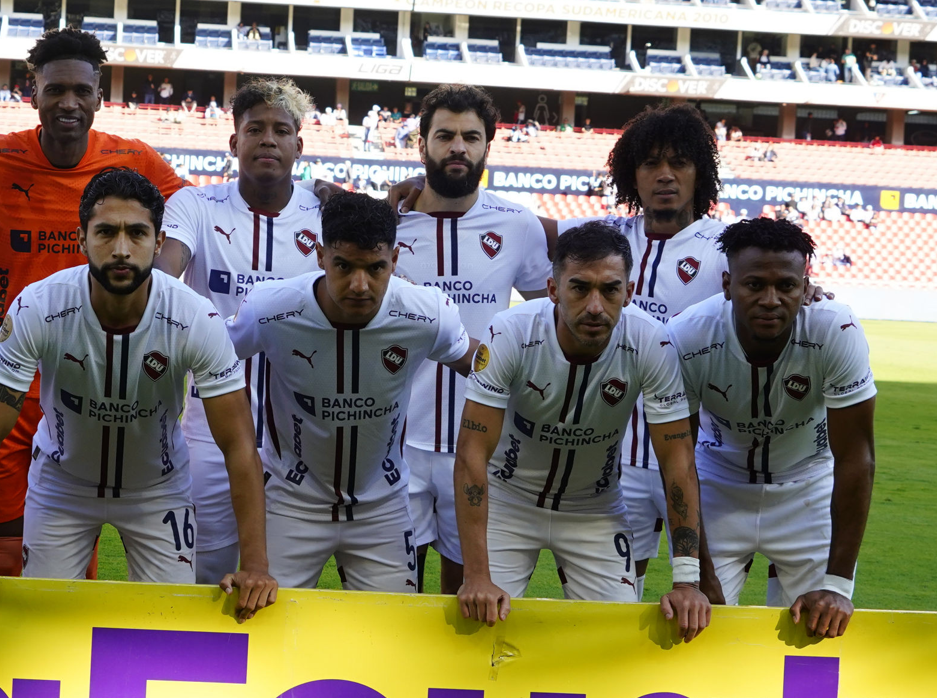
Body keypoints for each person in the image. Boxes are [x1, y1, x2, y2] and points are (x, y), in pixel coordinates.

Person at [0, 168, 278, 620]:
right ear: (82, 238)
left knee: (166, 626)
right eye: (105, 232)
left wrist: (255, 566)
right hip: (61, 485)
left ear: (158, 242)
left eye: (137, 233)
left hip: (158, 489)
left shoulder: (195, 317)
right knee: (44, 623)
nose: (121, 248)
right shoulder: (39, 305)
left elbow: (238, 444)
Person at [0, 30, 191, 578]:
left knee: (73, 533)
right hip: (8, 375)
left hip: (95, 382)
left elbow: (195, 209)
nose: (69, 102)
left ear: (99, 97)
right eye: (56, 90)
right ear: (34, 93)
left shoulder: (133, 159)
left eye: (81, 90)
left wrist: (157, 283)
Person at [454, 222, 711, 641]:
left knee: (613, 640)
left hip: (595, 509)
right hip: (508, 502)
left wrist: (686, 581)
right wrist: (477, 575)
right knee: (477, 631)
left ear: (629, 292)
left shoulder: (651, 341)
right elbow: (471, 453)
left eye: (610, 290)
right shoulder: (510, 331)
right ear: (553, 289)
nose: (595, 306)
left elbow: (678, 462)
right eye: (579, 288)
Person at [227, 193, 476, 592]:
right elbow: (211, 355)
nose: (360, 285)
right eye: (343, 265)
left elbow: (476, 362)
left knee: (392, 626)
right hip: (290, 502)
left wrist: (538, 362)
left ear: (395, 260)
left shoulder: (427, 313)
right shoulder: (269, 309)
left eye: (376, 268)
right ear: (320, 256)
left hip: (383, 506)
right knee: (264, 617)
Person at [546, 103, 731, 599]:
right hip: (614, 463)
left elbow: (774, 283)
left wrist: (812, 290)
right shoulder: (606, 239)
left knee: (709, 596)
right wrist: (420, 190)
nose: (665, 175)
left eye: (679, 162)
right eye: (651, 163)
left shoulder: (725, 248)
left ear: (700, 172)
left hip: (697, 460)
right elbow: (523, 228)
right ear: (632, 175)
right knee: (613, 601)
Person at [667, 218, 875, 638]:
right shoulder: (687, 336)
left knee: (817, 633)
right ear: (727, 284)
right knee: (700, 630)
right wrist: (694, 573)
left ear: (805, 285)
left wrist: (837, 585)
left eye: (786, 286)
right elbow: (677, 459)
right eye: (754, 285)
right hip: (718, 486)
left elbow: (856, 458)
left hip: (807, 487)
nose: (770, 299)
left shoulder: (835, 328)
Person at [154, 78, 322, 584]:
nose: (268, 139)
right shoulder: (195, 206)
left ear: (299, 145)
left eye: (281, 130)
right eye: (255, 129)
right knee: (204, 571)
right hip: (209, 427)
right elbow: (164, 278)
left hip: (301, 432)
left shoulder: (325, 213)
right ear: (234, 141)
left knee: (284, 580)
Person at [392, 85, 550, 594]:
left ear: (487, 146)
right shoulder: (388, 224)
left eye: (470, 137)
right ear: (422, 144)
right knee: (395, 598)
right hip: (398, 444)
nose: (458, 147)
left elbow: (553, 313)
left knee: (466, 596)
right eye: (445, 136)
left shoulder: (517, 224)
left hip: (482, 443)